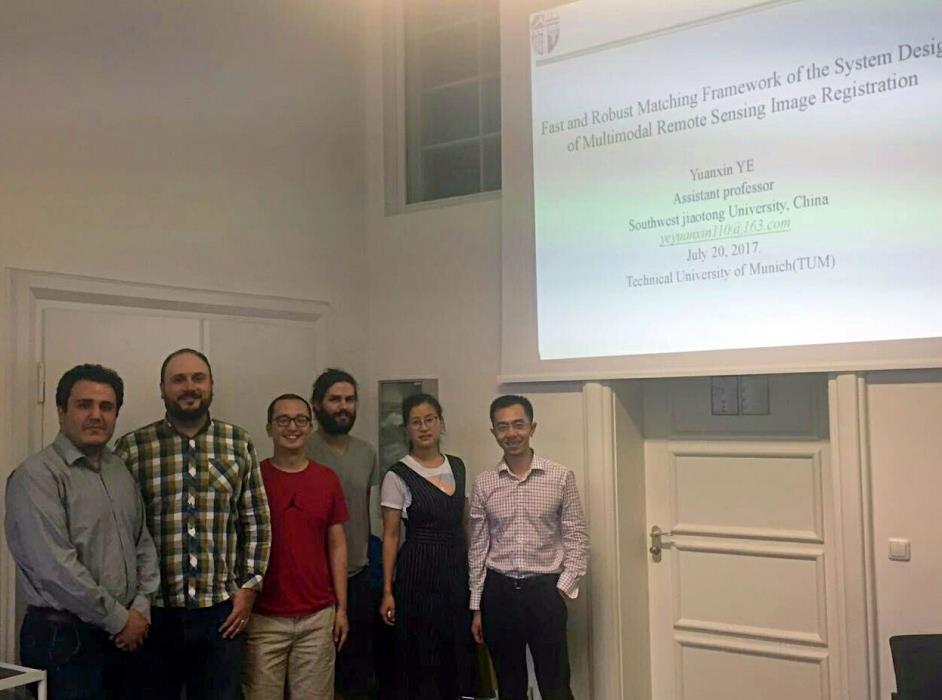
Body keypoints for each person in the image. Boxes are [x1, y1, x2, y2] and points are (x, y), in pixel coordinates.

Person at [114, 348, 271, 700]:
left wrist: (249, 588)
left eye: (198, 378)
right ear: (162, 388)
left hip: (221, 613)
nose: (189, 387)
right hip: (152, 613)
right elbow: (118, 531)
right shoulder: (132, 448)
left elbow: (256, 521)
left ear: (211, 385)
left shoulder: (238, 443)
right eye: (179, 379)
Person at [5, 364, 160, 699]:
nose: (96, 415)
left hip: (126, 636)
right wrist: (120, 620)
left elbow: (143, 543)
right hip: (64, 641)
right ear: (61, 411)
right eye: (84, 405)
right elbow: (55, 569)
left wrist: (141, 609)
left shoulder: (120, 471)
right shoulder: (36, 477)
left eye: (106, 407)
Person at [468, 395, 589, 700]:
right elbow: (478, 548)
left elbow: (576, 537)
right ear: (493, 432)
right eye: (502, 427)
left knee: (555, 684)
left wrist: (562, 587)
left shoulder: (560, 477)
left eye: (518, 424)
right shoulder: (484, 483)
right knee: (509, 686)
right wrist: (477, 606)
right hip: (499, 593)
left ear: (532, 428)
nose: (511, 433)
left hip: (544, 591)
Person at [242, 393, 350, 700]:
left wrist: (342, 608)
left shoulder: (327, 479)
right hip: (263, 618)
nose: (293, 427)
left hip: (318, 617)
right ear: (269, 427)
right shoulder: (253, 479)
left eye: (301, 420)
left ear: (310, 426)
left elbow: (337, 546)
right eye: (283, 420)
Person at [379, 393, 476, 700]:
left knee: (455, 650)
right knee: (422, 654)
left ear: (441, 423)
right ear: (406, 429)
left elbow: (465, 524)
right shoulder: (397, 474)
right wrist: (387, 590)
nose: (424, 428)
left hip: (455, 569)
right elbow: (391, 535)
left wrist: (474, 577)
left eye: (430, 420)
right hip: (417, 571)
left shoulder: (458, 466)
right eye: (415, 422)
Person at [305, 369, 381, 699]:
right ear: (316, 404)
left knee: (357, 671)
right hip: (314, 580)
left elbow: (367, 511)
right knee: (317, 673)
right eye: (334, 399)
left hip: (358, 575)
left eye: (349, 400)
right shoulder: (303, 449)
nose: (343, 407)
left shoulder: (367, 453)